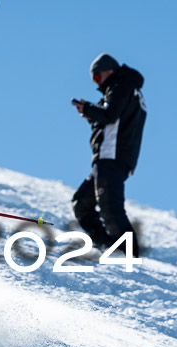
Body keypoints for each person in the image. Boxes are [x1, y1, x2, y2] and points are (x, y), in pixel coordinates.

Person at [72, 53, 146, 257]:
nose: (98, 83)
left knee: (110, 208)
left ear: (109, 70)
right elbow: (113, 120)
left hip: (112, 157)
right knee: (82, 203)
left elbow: (109, 115)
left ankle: (128, 256)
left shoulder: (121, 85)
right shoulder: (128, 89)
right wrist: (91, 116)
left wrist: (88, 108)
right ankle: (108, 248)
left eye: (97, 77)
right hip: (112, 157)